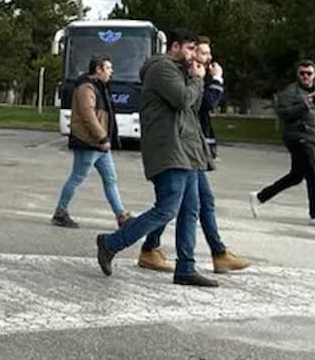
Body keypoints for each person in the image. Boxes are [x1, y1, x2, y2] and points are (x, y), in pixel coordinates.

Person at [94, 30, 218, 287]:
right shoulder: (162, 68)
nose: (194, 55)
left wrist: (200, 80)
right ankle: (111, 243)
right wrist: (197, 79)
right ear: (174, 47)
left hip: (187, 150)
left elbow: (196, 108)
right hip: (169, 149)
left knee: (190, 209)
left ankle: (185, 267)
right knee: (167, 208)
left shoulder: (181, 71)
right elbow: (183, 99)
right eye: (190, 48)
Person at [138, 38, 249, 274]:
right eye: (201, 52)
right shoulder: (176, 73)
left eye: (207, 54)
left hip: (191, 148)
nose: (206, 58)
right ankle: (141, 247)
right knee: (175, 205)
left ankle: (213, 254)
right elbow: (201, 104)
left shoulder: (187, 75)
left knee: (195, 203)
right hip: (181, 149)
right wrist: (215, 80)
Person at [250, 60, 315, 227]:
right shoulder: (290, 92)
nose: (305, 76)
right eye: (302, 73)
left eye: (309, 73)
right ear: (298, 74)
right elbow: (283, 113)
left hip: (311, 138)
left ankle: (259, 197)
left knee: (296, 176)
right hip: (298, 138)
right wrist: (303, 106)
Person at [51, 55, 130, 229]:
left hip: (100, 144)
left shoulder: (100, 87)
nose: (111, 71)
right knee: (77, 177)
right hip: (89, 142)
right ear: (98, 69)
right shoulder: (86, 88)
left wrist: (105, 138)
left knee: (110, 179)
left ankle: (122, 216)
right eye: (108, 68)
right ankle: (60, 212)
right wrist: (102, 136)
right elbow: (88, 116)